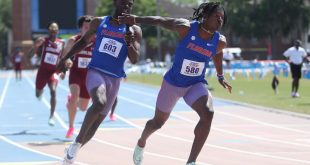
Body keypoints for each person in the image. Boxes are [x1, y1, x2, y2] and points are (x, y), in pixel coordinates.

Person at [119, 2, 232, 165]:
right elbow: (160, 20)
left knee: (208, 114)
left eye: (222, 18)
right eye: (217, 17)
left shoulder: (220, 41)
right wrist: (136, 19)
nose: (220, 20)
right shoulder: (186, 28)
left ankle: (191, 161)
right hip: (173, 84)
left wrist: (221, 76)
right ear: (205, 16)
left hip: (195, 84)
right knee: (157, 123)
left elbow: (217, 53)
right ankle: (141, 141)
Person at [57, 0, 142, 164]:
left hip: (115, 78)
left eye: (130, 4)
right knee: (99, 102)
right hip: (96, 71)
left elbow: (135, 59)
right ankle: (75, 146)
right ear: (116, 2)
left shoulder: (134, 29)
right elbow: (83, 42)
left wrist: (129, 42)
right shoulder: (99, 22)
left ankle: (73, 150)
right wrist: (66, 57)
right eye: (124, 3)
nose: (127, 6)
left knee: (96, 124)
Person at [62, 15, 95, 139]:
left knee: (83, 107)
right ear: (81, 28)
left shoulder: (96, 41)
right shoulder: (73, 40)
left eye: (90, 27)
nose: (88, 29)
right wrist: (67, 63)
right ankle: (71, 127)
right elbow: (64, 57)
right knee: (75, 95)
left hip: (89, 76)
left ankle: (71, 102)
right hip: (76, 73)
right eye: (86, 27)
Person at [28, 21, 65, 126]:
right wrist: (35, 46)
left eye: (55, 29)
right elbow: (29, 56)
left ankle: (52, 116)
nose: (54, 31)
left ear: (58, 31)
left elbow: (63, 58)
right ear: (49, 30)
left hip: (53, 71)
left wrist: (63, 71)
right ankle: (40, 91)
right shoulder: (43, 41)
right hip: (42, 71)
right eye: (52, 29)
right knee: (37, 94)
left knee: (53, 91)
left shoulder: (61, 43)